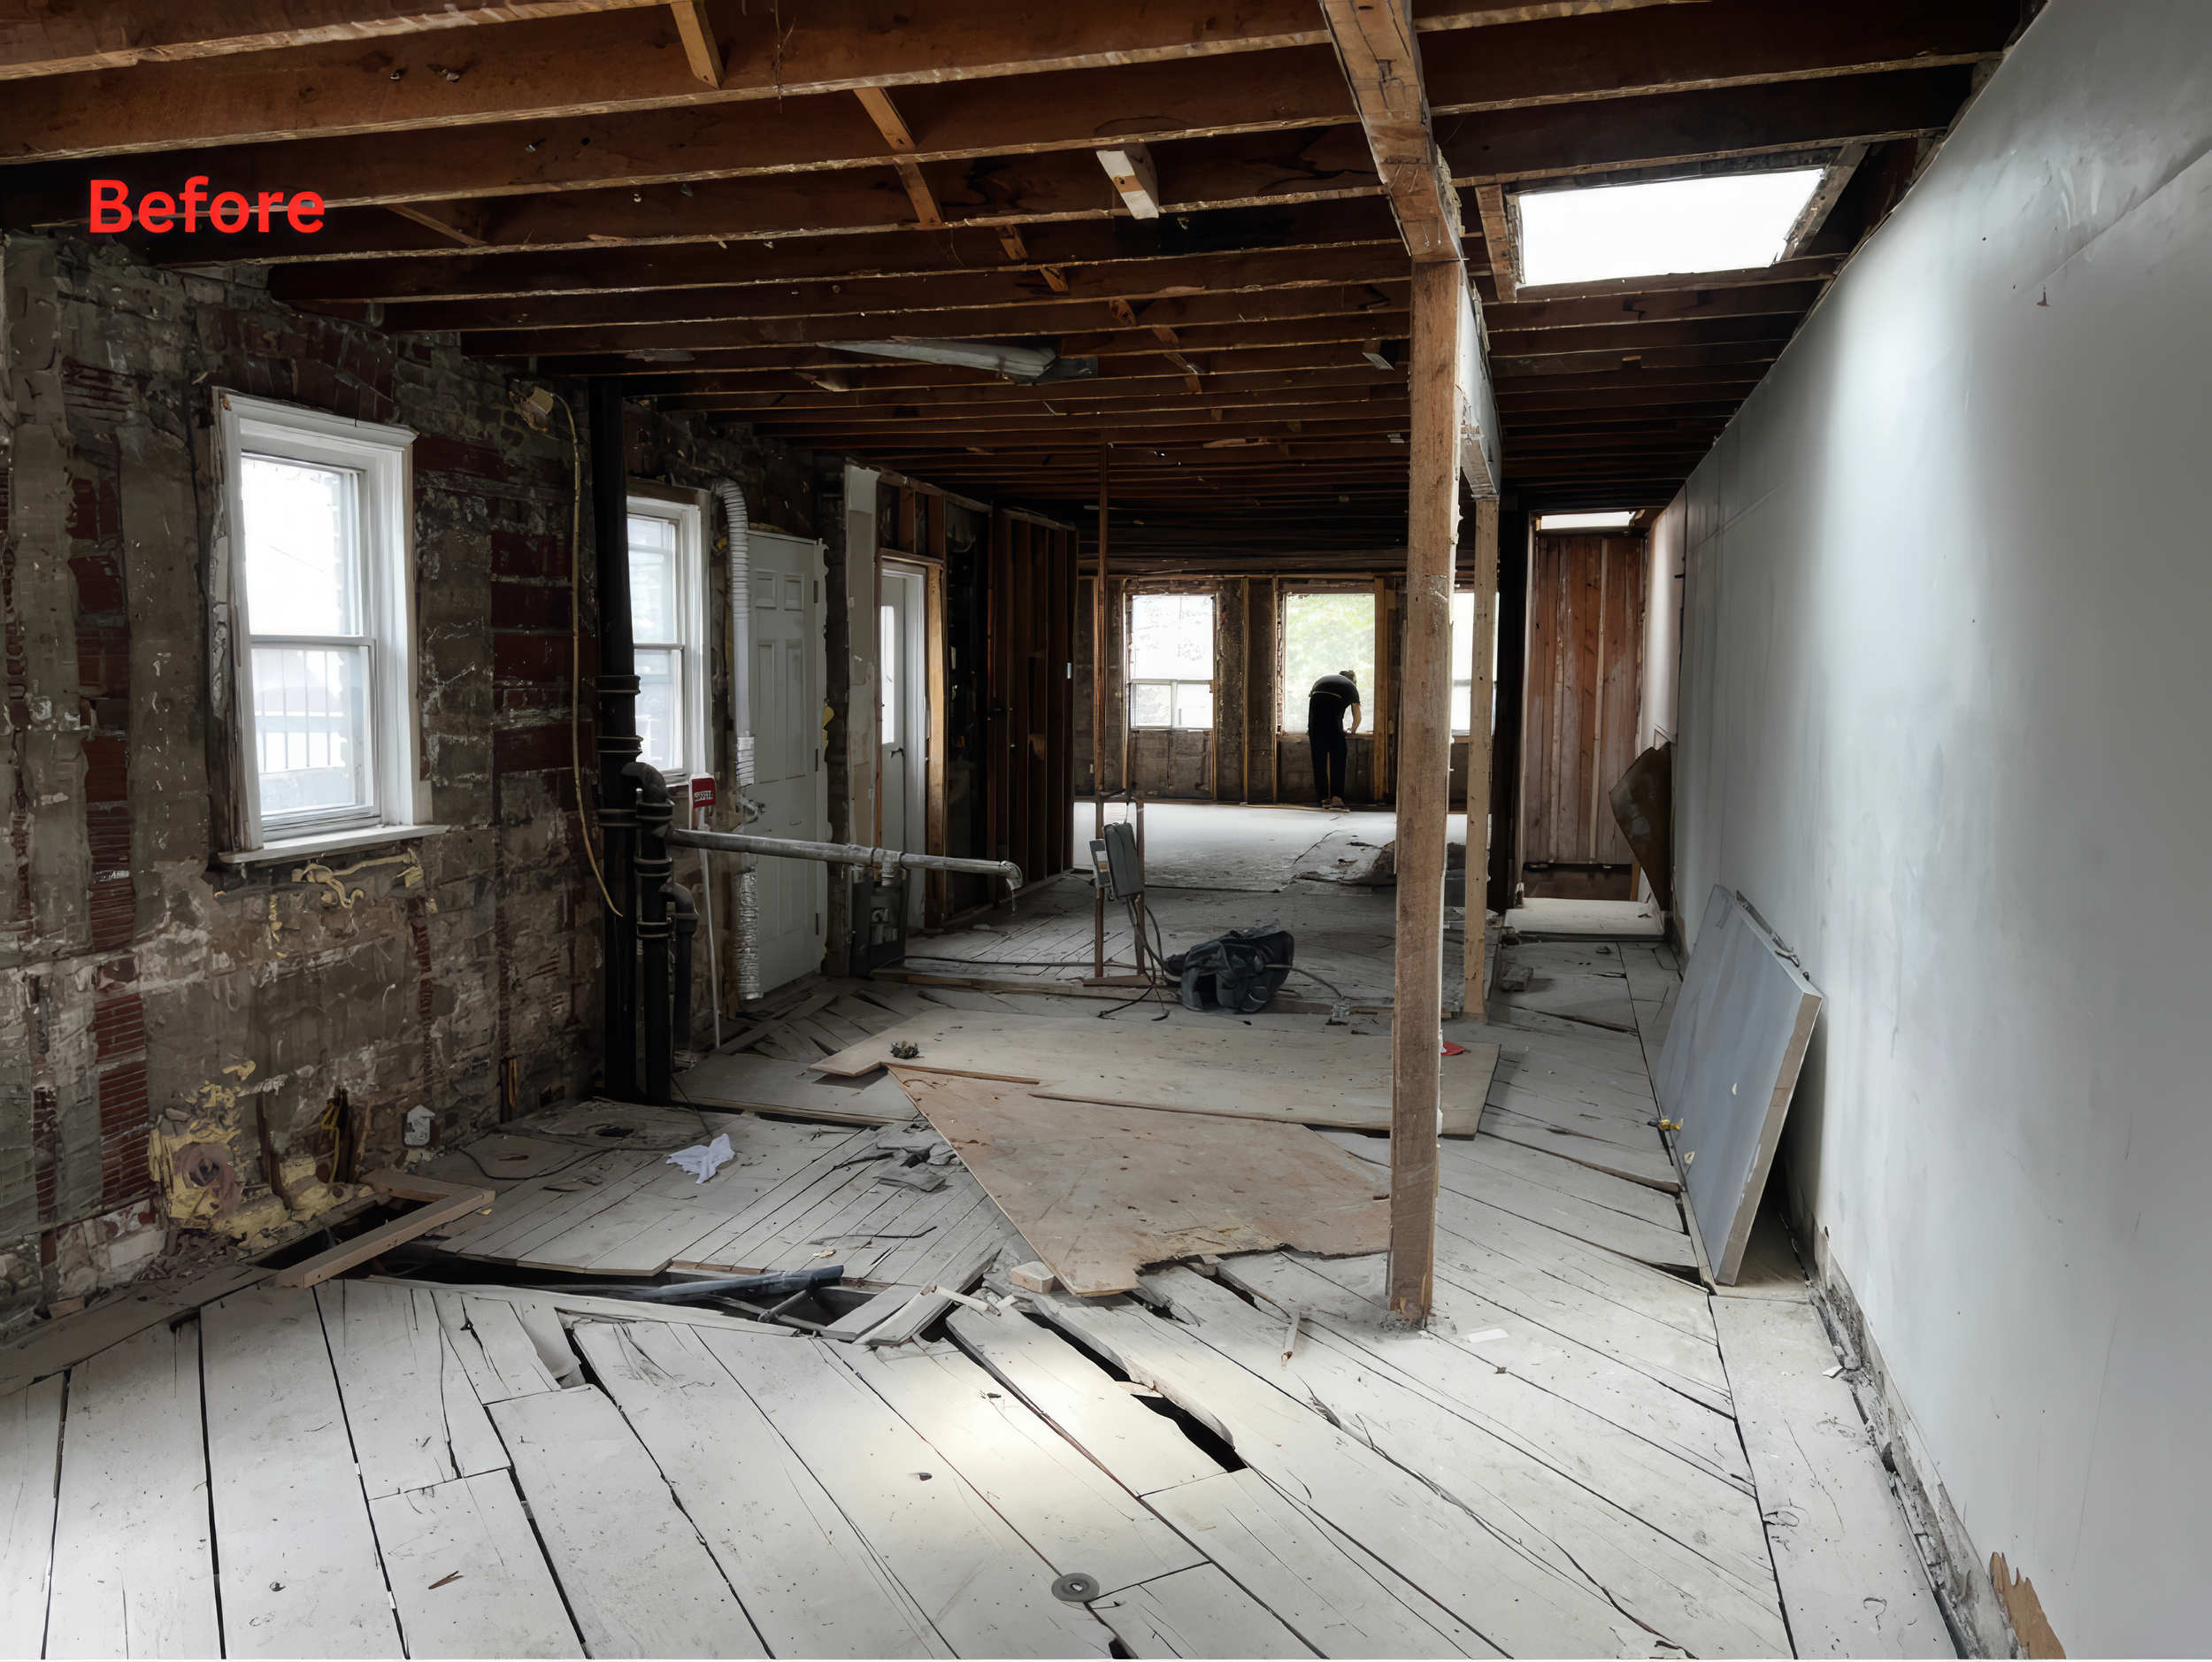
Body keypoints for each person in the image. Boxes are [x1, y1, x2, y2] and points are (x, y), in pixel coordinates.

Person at [1306, 668, 1360, 809]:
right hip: (1331, 714)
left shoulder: (1324, 680)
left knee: (1319, 756)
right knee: (1338, 754)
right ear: (1353, 680)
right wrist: (1352, 730)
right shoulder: (1351, 687)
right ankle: (1337, 798)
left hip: (1315, 710)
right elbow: (1357, 715)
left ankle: (1323, 798)